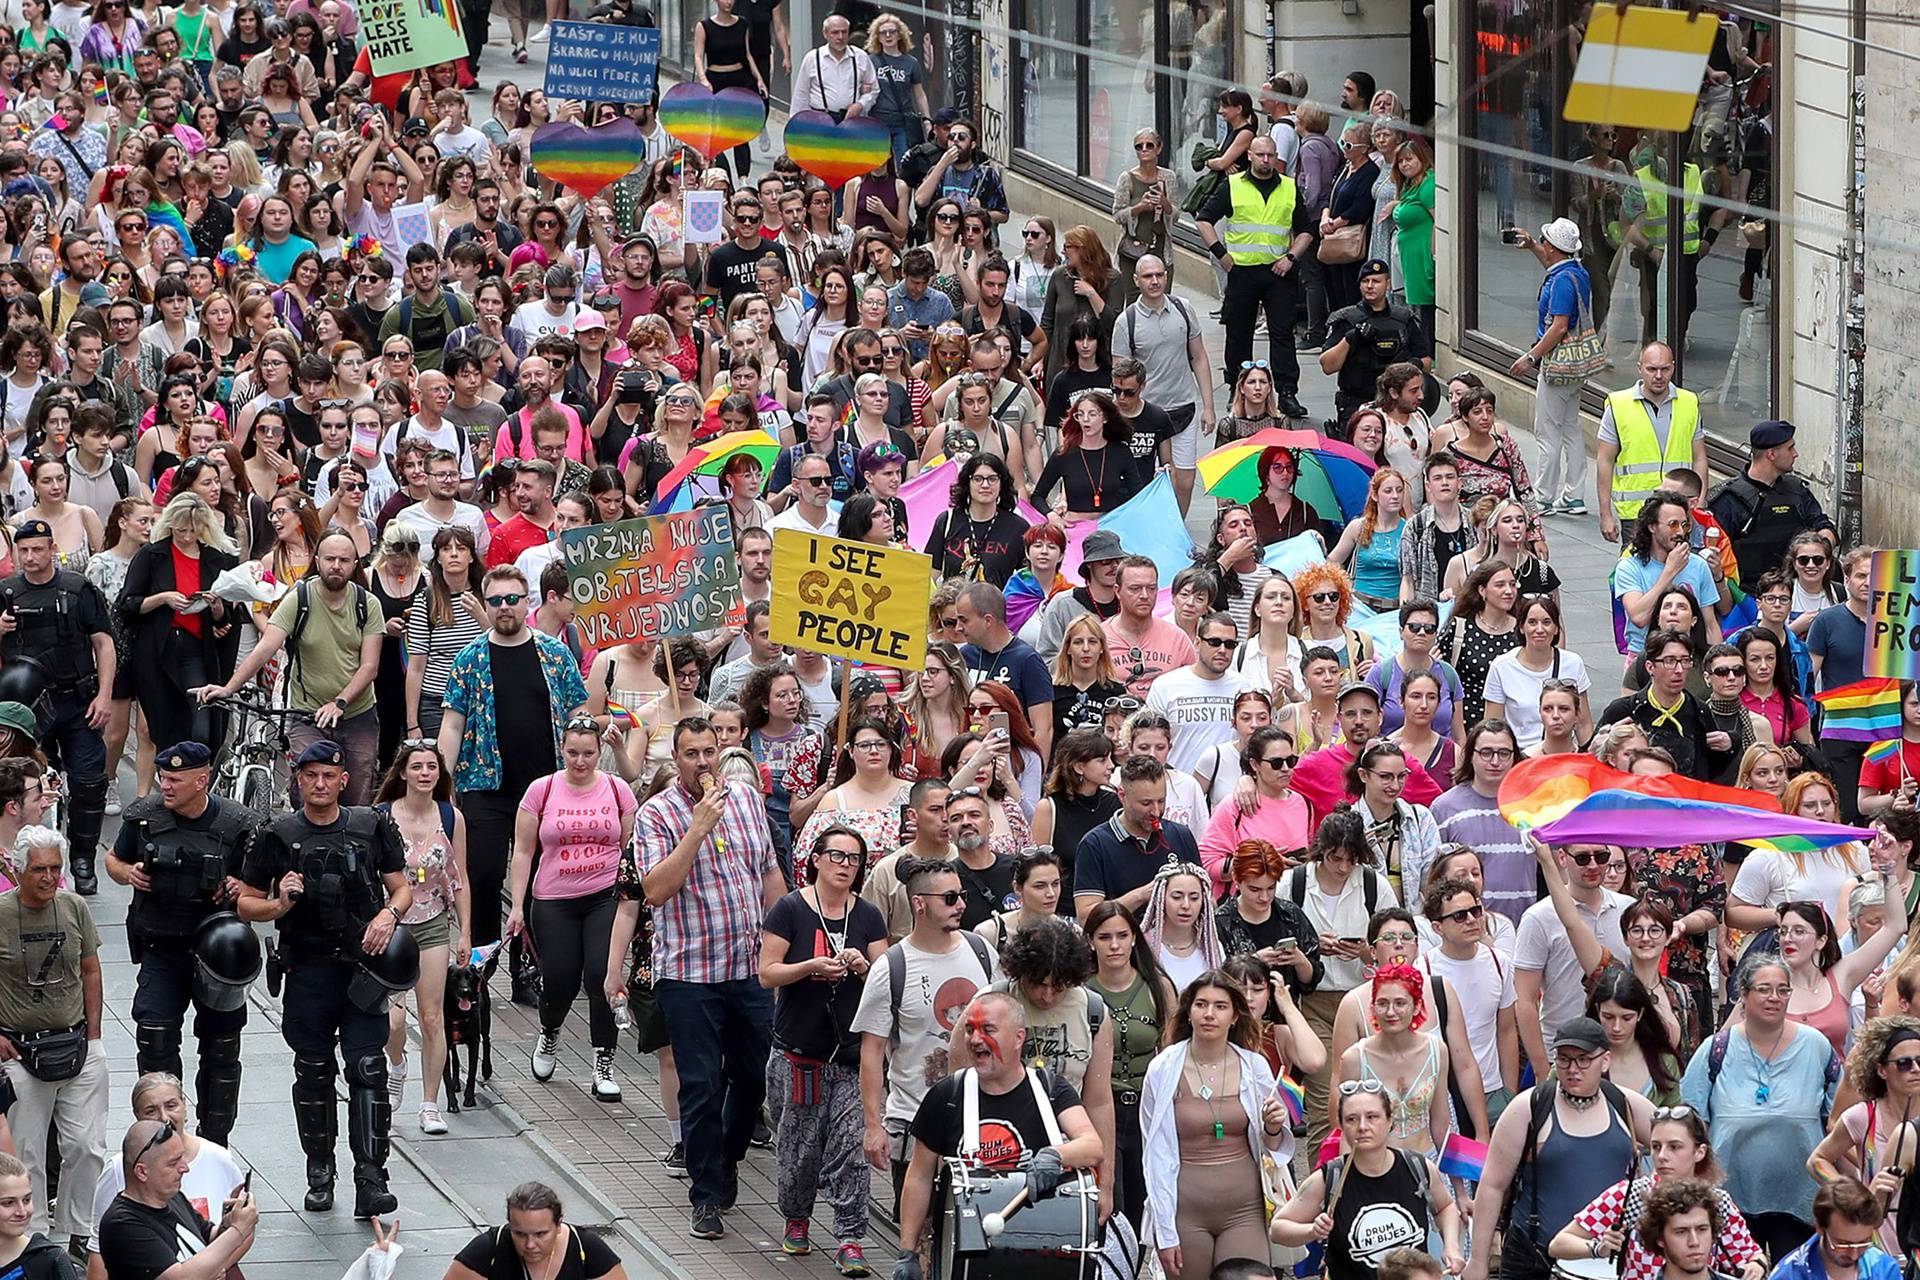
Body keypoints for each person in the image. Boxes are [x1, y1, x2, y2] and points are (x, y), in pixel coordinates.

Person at [235, 739, 414, 1219]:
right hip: (308, 970)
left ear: (343, 780)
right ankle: (320, 1172)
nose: (320, 784)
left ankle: (372, 1179)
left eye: (329, 776)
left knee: (368, 1070)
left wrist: (387, 917)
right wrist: (279, 904)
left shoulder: (369, 825)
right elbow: (245, 902)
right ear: (298, 780)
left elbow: (400, 888)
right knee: (313, 1073)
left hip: (361, 968)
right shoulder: (277, 833)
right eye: (310, 775)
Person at [634, 718, 783, 1241]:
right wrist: (696, 828)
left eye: (709, 752)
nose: (702, 762)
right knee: (700, 1084)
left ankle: (725, 1159)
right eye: (691, 753)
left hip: (748, 967)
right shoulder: (656, 814)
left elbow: (768, 873)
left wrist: (781, 941)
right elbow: (654, 889)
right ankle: (705, 1196)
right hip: (689, 973)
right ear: (674, 760)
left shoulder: (745, 800)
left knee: (754, 1077)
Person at [103, 742, 262, 1149]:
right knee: (155, 1040)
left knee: (222, 1050)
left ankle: (214, 1144)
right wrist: (128, 873)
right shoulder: (144, 818)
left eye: (175, 779)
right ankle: (161, 1142)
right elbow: (114, 861)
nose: (166, 786)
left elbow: (262, 884)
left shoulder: (238, 823)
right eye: (163, 778)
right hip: (161, 947)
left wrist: (241, 886)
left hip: (217, 957)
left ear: (202, 779)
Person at [436, 565, 590, 982]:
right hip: (486, 787)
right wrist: (442, 781)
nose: (504, 608)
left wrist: (583, 767)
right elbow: (453, 723)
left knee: (542, 880)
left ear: (528, 604)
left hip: (545, 789)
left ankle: (531, 968)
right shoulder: (470, 659)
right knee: (484, 875)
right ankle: (484, 965)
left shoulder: (555, 654)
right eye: (495, 601)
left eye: (512, 600)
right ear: (484, 605)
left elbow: (578, 713)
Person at [891, 991, 1102, 1280]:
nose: (975, 1039)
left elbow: (1092, 1145)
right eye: (969, 1030)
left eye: (987, 1029)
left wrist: (1056, 1154)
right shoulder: (947, 1095)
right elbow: (919, 1175)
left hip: (1033, 1248)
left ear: (1018, 1038)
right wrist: (908, 1251)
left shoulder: (1050, 1089)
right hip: (962, 1252)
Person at [760, 823, 887, 1273]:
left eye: (854, 860)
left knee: (852, 1147)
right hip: (798, 1054)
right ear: (815, 859)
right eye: (836, 856)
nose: (845, 867)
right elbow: (767, 973)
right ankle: (796, 1218)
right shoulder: (790, 910)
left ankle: (850, 1237)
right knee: (799, 1147)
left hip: (851, 1058)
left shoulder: (868, 915)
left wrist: (864, 966)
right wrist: (809, 966)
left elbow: (883, 981)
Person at [195, 530, 383, 801]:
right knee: (309, 784)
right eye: (330, 558)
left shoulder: (368, 604)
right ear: (317, 560)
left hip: (357, 713)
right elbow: (266, 646)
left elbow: (369, 666)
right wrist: (229, 687)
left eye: (344, 560)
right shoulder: (301, 598)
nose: (336, 566)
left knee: (357, 791)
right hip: (307, 712)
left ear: (355, 565)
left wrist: (339, 703)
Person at [1462, 1016, 1655, 1280]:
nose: (1573, 1069)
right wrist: (1477, 1261)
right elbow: (1493, 1184)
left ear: (1605, 1060)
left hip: (1610, 1261)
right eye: (1564, 1059)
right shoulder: (1528, 1107)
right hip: (1534, 1259)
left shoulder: (1627, 1105)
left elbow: (1682, 1151)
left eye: (1584, 1059)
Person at [1139, 971, 1291, 1280]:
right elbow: (1154, 1154)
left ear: (1235, 1015)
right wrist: (1165, 1232)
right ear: (1189, 1011)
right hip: (1186, 1210)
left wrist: (1274, 1127)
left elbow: (1272, 1148)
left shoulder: (1254, 1065)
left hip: (1244, 1208)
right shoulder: (1163, 1068)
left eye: (1220, 1006)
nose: (1210, 1014)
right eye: (1201, 1004)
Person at [0, 828, 107, 1250]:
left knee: (87, 1145)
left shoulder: (75, 906)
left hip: (78, 1043)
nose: (48, 878)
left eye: (56, 869)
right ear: (18, 870)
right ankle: (36, 1237)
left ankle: (81, 1233)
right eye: (39, 869)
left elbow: (91, 969)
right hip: (21, 1051)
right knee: (26, 1152)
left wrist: (94, 1036)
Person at [0, 518, 115, 893]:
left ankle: (82, 858)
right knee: (24, 788)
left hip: (79, 701)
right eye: (24, 550)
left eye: (38, 549)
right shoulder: (6, 592)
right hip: (27, 711)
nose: (30, 557)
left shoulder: (77, 589)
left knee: (88, 782)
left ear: (53, 550)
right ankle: (28, 861)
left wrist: (105, 695)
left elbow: (103, 643)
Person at [1270, 1080, 1465, 1280]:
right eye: (1352, 1119)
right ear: (1342, 1126)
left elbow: (1445, 1207)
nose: (1362, 1126)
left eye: (1372, 1117)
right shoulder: (1329, 1178)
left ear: (1390, 1121)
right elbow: (1278, 1228)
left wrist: (1451, 1247)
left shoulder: (1417, 1167)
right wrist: (1311, 1230)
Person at [1194, 136, 1313, 419]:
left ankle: (1286, 392)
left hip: (1278, 272)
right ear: (1249, 155)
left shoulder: (1288, 187)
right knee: (1238, 334)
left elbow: (1306, 231)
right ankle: (1238, 390)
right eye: (1260, 155)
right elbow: (1203, 219)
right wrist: (1220, 253)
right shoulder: (1233, 185)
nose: (1266, 160)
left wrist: (1291, 257)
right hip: (1242, 271)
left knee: (1282, 334)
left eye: (1270, 155)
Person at [1504, 218, 1593, 518]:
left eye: (1544, 242)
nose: (1542, 244)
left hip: (1557, 365)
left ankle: (1543, 496)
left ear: (1553, 247)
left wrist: (1530, 357)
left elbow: (1558, 327)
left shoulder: (1562, 281)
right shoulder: (1575, 271)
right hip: (1575, 365)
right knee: (1569, 428)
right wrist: (1531, 247)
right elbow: (1555, 269)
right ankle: (1574, 495)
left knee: (1547, 432)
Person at [1110, 255, 1213, 513]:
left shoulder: (1184, 308)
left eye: (1159, 275)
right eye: (1147, 276)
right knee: (1145, 482)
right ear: (1135, 280)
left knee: (1185, 482)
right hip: (1145, 416)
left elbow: (1198, 357)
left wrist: (1208, 406)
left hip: (1183, 409)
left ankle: (1176, 530)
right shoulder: (1126, 321)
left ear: (1166, 275)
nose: (1154, 281)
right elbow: (1120, 376)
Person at [96, 1118, 258, 1280]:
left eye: (182, 1157)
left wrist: (229, 1223)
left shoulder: (172, 1196)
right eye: (173, 1163)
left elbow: (208, 1235)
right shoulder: (122, 1224)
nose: (184, 1168)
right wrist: (238, 1231)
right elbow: (180, 1277)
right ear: (142, 1172)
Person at [1071, 753, 1203, 923]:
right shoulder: (1095, 844)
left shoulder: (1180, 835)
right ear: (1122, 795)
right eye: (1146, 803)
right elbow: (1087, 916)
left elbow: (1204, 897)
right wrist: (1142, 895)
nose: (1155, 811)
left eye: (1161, 801)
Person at [1596, 344, 1706, 543]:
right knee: (1638, 569)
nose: (1658, 375)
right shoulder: (1618, 405)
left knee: (1680, 568)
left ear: (1673, 368)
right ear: (1640, 368)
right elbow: (1605, 460)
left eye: (1665, 369)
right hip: (1637, 513)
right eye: (1651, 369)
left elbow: (1699, 457)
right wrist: (1605, 514)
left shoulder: (1689, 403)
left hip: (1679, 510)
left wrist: (1701, 503)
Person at [1707, 420, 1838, 586]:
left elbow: (1824, 526)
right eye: (1790, 448)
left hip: (1797, 589)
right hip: (1749, 594)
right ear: (1771, 454)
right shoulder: (1728, 499)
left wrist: (1819, 549)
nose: (1795, 454)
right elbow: (1717, 556)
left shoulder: (1796, 489)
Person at [1320, 258, 1427, 437]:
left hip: (1396, 405)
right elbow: (1328, 366)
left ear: (1388, 284)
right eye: (1365, 281)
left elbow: (1426, 360)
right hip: (1356, 400)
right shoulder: (1346, 318)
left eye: (1376, 281)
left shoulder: (1404, 319)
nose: (1370, 286)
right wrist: (1350, 338)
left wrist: (1411, 365)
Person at [446, 1182, 626, 1280]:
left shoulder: (586, 1249)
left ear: (558, 1225)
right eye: (519, 1234)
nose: (530, 1245)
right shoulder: (487, 1250)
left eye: (540, 1234)